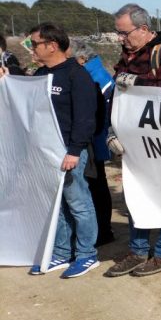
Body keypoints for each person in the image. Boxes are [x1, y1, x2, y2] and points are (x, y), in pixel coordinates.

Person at [105, 3, 161, 277]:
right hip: (133, 141)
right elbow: (119, 96)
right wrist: (113, 129)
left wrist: (133, 81)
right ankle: (138, 250)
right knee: (135, 195)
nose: (121, 38)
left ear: (143, 29)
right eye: (119, 33)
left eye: (125, 33)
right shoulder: (127, 54)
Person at [20, 24, 100, 278]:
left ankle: (87, 254)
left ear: (52, 46)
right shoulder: (41, 74)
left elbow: (86, 118)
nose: (31, 49)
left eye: (34, 44)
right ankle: (62, 253)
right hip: (47, 150)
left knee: (79, 203)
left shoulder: (77, 75)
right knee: (58, 205)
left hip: (69, 150)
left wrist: (74, 151)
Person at [70, 40, 115, 246]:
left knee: (96, 184)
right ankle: (102, 230)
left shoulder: (95, 77)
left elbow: (102, 114)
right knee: (96, 183)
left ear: (82, 59)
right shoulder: (95, 72)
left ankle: (103, 231)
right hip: (95, 137)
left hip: (96, 138)